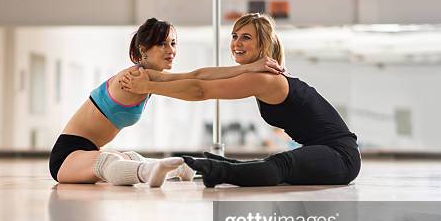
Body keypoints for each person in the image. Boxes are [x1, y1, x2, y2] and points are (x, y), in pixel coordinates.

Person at [122, 13, 361, 188]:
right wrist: (151, 75)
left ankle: (217, 170)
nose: (237, 43)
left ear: (263, 45)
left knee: (280, 165)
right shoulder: (258, 73)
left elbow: (200, 91)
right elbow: (197, 76)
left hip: (341, 157)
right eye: (235, 36)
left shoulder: (268, 80)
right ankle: (224, 166)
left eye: (246, 37)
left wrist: (149, 86)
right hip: (325, 152)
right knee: (275, 164)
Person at [49, 17, 283, 187]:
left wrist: (252, 67)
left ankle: (180, 167)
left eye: (173, 43)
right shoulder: (136, 77)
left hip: (86, 152)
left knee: (129, 156)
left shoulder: (147, 77)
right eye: (162, 44)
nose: (171, 50)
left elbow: (198, 75)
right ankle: (151, 171)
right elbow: (198, 79)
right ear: (144, 50)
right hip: (67, 156)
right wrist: (251, 67)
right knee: (109, 161)